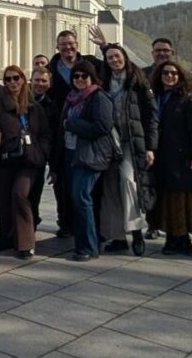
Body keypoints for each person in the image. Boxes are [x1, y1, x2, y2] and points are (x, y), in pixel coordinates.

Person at [0, 66, 50, 258]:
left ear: (23, 80)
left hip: (29, 161)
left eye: (16, 78)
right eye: (8, 79)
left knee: (20, 195)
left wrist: (41, 154)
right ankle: (5, 240)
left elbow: (45, 134)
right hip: (5, 161)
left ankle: (25, 243)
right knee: (3, 202)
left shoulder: (34, 107)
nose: (12, 82)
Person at [97, 45, 157, 256]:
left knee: (128, 181)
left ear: (125, 57)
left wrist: (151, 147)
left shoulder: (137, 81)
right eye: (110, 58)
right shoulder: (103, 81)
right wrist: (104, 46)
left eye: (117, 56)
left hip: (130, 141)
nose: (114, 60)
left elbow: (151, 115)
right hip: (108, 142)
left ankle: (136, 231)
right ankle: (118, 237)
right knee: (110, 188)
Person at [47, 30, 105, 238]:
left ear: (77, 44)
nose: (68, 48)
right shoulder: (51, 70)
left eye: (71, 44)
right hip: (61, 131)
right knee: (62, 181)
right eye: (63, 45)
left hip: (86, 131)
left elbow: (113, 67)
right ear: (57, 47)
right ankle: (66, 222)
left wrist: (104, 46)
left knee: (89, 186)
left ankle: (94, 226)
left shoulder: (90, 64)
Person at [147, 61, 192, 256]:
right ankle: (172, 237)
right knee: (165, 199)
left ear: (180, 76)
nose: (169, 76)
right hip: (160, 156)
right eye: (165, 73)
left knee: (181, 199)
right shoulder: (156, 97)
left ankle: (182, 239)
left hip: (181, 157)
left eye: (173, 73)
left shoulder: (187, 99)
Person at [60, 60, 115, 261]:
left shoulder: (99, 97)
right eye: (76, 76)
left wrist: (72, 124)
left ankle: (89, 247)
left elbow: (103, 126)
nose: (80, 79)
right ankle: (82, 244)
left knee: (81, 198)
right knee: (77, 200)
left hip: (90, 155)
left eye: (84, 76)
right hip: (72, 153)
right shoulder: (72, 97)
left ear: (92, 77)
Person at [140, 38, 175, 241]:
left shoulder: (178, 75)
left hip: (173, 140)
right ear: (152, 53)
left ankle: (170, 223)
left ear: (172, 53)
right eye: (158, 51)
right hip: (150, 138)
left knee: (170, 186)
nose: (162, 54)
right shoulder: (143, 74)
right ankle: (152, 224)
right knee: (150, 183)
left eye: (166, 51)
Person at [28, 68, 53, 227]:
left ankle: (32, 225)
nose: (40, 84)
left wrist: (49, 160)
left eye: (44, 81)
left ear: (49, 84)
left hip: (38, 158)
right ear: (31, 81)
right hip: (20, 155)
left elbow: (53, 136)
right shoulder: (20, 99)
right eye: (37, 80)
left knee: (35, 194)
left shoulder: (52, 106)